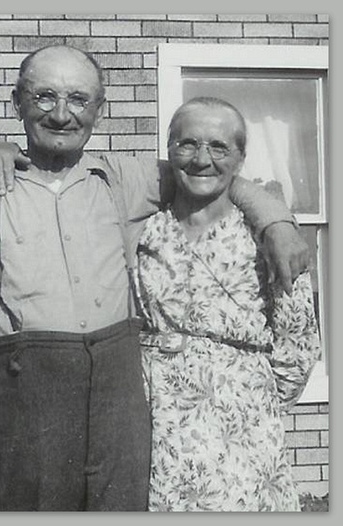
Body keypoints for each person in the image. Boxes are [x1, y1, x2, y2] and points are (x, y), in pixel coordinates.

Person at [0, 45, 308, 511]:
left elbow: (213, 171)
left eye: (79, 100)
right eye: (44, 97)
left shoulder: (122, 179)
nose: (62, 115)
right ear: (17, 103)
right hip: (25, 409)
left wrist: (276, 221)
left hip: (119, 410)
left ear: (99, 110)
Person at [135, 97, 319, 511]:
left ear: (240, 158)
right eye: (187, 144)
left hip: (241, 429)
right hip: (155, 426)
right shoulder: (145, 232)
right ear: (169, 150)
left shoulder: (270, 239)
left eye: (219, 147)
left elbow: (297, 347)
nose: (202, 159)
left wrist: (245, 396)